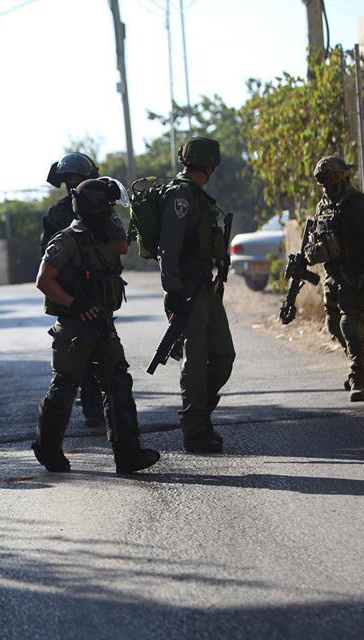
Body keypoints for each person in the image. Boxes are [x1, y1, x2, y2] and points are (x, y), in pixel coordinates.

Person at [33, 177, 160, 474]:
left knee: (118, 383)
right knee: (65, 387)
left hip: (102, 323)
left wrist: (118, 221)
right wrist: (74, 303)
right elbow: (43, 280)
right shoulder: (67, 239)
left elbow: (122, 247)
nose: (112, 212)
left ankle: (128, 455)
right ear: (96, 208)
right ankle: (48, 451)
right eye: (108, 207)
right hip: (75, 327)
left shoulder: (102, 235)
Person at [157, 136, 235, 454]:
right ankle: (194, 429)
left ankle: (201, 416)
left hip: (205, 286)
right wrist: (172, 291)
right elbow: (168, 247)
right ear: (210, 165)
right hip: (188, 290)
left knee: (223, 356)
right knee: (197, 361)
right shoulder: (181, 196)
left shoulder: (198, 196)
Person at [41, 152, 120, 430]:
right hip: (73, 298)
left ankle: (113, 422)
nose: (74, 184)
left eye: (78, 179)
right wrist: (72, 300)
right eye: (70, 180)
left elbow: (119, 247)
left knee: (110, 364)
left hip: (97, 293)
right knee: (76, 363)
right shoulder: (57, 216)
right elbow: (47, 265)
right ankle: (91, 411)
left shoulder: (103, 209)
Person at [303, 156, 364, 401]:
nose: (327, 184)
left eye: (331, 178)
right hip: (333, 276)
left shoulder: (358, 206)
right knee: (333, 324)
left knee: (349, 325)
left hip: (355, 273)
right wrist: (312, 252)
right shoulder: (323, 207)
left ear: (343, 177)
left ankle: (357, 378)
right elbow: (313, 241)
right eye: (322, 180)